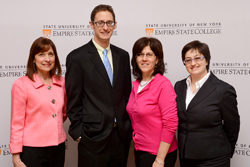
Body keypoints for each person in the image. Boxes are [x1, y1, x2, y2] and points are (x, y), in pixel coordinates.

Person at [65, 4, 132, 167]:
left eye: (109, 23)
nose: (105, 27)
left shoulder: (122, 56)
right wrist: (79, 133)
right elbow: (73, 100)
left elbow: (126, 95)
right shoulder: (77, 57)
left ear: (115, 25)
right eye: (100, 23)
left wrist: (127, 127)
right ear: (91, 25)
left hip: (120, 138)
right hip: (91, 138)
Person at [174, 40, 240, 167]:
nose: (193, 63)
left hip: (214, 159)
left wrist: (224, 152)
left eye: (198, 58)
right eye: (188, 60)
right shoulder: (179, 86)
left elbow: (232, 128)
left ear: (207, 60)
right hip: (186, 157)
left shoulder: (223, 90)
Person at [9, 37, 67, 167]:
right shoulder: (21, 84)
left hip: (58, 148)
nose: (47, 59)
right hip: (32, 149)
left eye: (50, 54)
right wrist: (16, 157)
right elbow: (16, 123)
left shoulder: (62, 82)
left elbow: (63, 114)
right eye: (41, 54)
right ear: (33, 59)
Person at [126, 37, 178, 167]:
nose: (144, 59)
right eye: (140, 54)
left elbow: (171, 124)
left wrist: (160, 160)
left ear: (157, 59)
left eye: (149, 54)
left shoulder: (163, 85)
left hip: (159, 155)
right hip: (141, 152)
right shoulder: (136, 85)